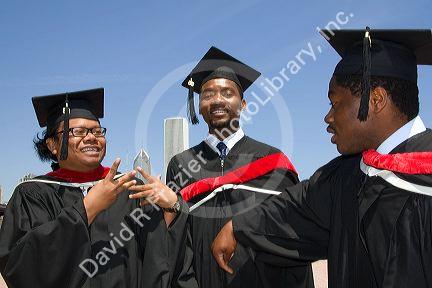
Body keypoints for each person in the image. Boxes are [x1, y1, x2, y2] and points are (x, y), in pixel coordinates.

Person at [212, 28, 432, 288]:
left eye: (335, 103)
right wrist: (238, 226)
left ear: (376, 100)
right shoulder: (347, 175)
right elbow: (296, 209)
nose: (328, 118)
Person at [0, 88, 193, 288]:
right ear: (52, 145)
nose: (92, 137)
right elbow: (21, 267)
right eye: (79, 132)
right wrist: (88, 209)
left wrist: (172, 209)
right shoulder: (32, 194)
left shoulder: (129, 188)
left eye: (97, 131)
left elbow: (159, 257)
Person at [157, 46, 313, 288]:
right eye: (207, 94)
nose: (217, 100)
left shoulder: (272, 161)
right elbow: (177, 241)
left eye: (227, 93)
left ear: (244, 104)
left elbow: (290, 238)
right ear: (199, 105)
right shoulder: (182, 164)